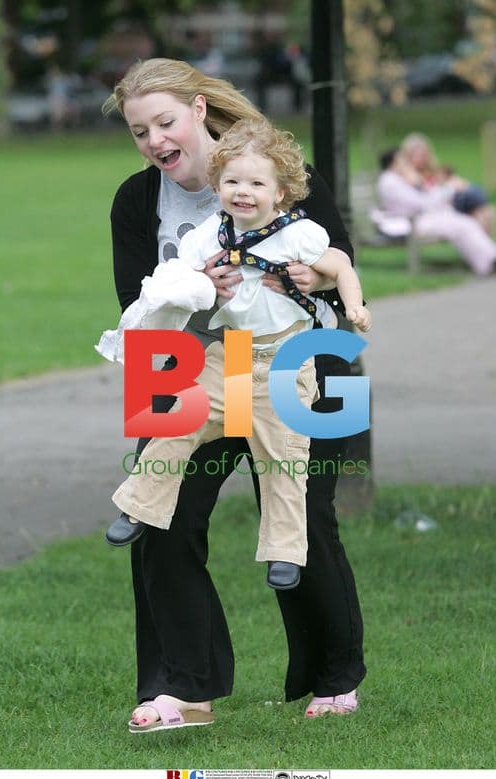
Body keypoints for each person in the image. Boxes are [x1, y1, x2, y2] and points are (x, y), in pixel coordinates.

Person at [102, 57, 367, 733]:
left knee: (305, 513)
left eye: (165, 121)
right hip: (189, 364)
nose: (155, 140)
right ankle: (182, 690)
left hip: (304, 357)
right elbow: (136, 306)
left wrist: (311, 277)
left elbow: (340, 266)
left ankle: (335, 678)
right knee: (159, 514)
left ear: (198, 111)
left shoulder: (277, 174)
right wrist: (196, 301)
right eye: (139, 131)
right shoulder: (137, 203)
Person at [104, 118, 371, 593]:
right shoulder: (209, 235)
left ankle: (284, 553)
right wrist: (194, 284)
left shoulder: (299, 234)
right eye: (231, 182)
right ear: (217, 185)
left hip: (285, 361)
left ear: (281, 192)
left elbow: (341, 263)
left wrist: (348, 301)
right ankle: (138, 505)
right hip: (228, 357)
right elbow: (174, 283)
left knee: (285, 461)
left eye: (255, 183)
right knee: (173, 427)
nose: (242, 192)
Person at [376, 147, 496, 276]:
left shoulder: (397, 179)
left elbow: (422, 201)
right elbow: (421, 203)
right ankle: (487, 263)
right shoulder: (390, 181)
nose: (405, 162)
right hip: (411, 222)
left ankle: (488, 260)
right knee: (462, 225)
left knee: (465, 223)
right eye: (401, 159)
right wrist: (447, 189)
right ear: (393, 162)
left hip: (420, 218)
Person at [401, 132, 494, 236]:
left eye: (422, 155)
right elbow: (426, 193)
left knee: (482, 210)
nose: (419, 158)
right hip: (438, 206)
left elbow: (450, 182)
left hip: (447, 200)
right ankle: (485, 248)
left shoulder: (433, 170)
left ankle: (484, 248)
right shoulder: (408, 173)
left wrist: (453, 183)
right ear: (407, 156)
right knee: (475, 199)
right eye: (415, 155)